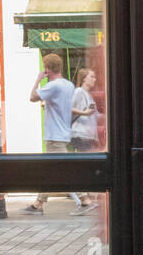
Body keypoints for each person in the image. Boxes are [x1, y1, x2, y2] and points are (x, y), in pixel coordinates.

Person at [22, 54, 94, 213]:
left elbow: (32, 97)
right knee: (51, 170)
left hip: (54, 136)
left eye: (44, 67)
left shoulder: (53, 86)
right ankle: (38, 204)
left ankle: (85, 200)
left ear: (47, 69)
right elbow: (65, 108)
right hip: (63, 133)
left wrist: (38, 80)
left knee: (63, 170)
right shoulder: (68, 85)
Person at [70, 66, 100, 153]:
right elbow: (68, 108)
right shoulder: (78, 91)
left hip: (88, 136)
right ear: (84, 79)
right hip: (81, 135)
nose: (94, 79)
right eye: (92, 76)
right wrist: (85, 113)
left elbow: (96, 115)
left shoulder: (89, 96)